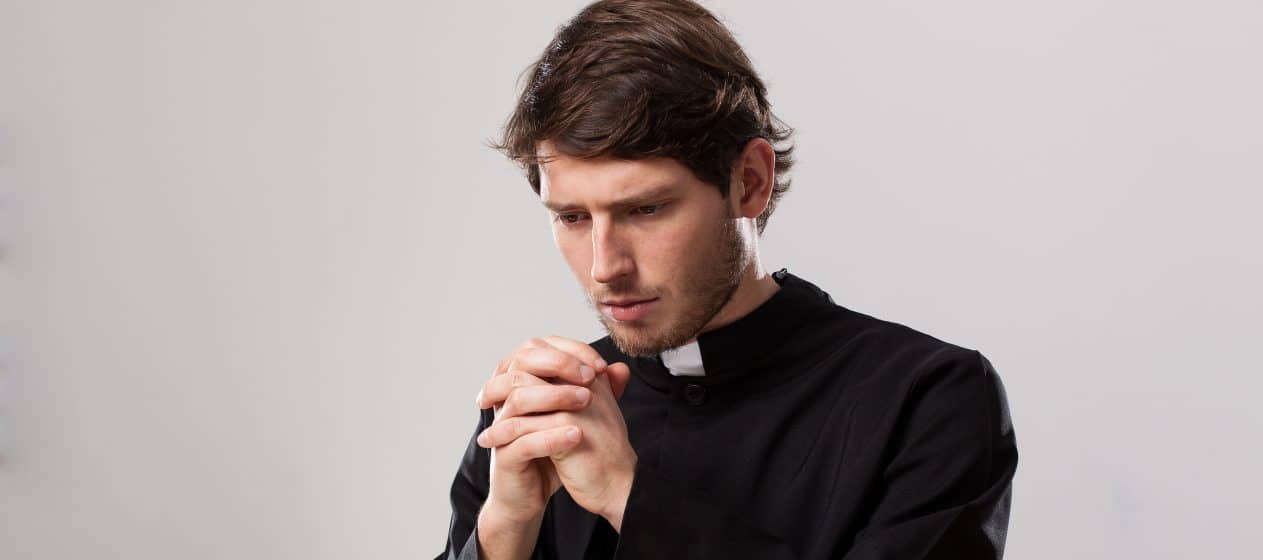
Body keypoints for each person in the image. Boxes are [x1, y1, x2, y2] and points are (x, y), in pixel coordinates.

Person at [437, 1, 1017, 558]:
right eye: (572, 217)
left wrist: (627, 496)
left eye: (646, 209)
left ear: (750, 182)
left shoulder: (928, 399)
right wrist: (503, 531)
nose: (605, 266)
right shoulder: (540, 409)